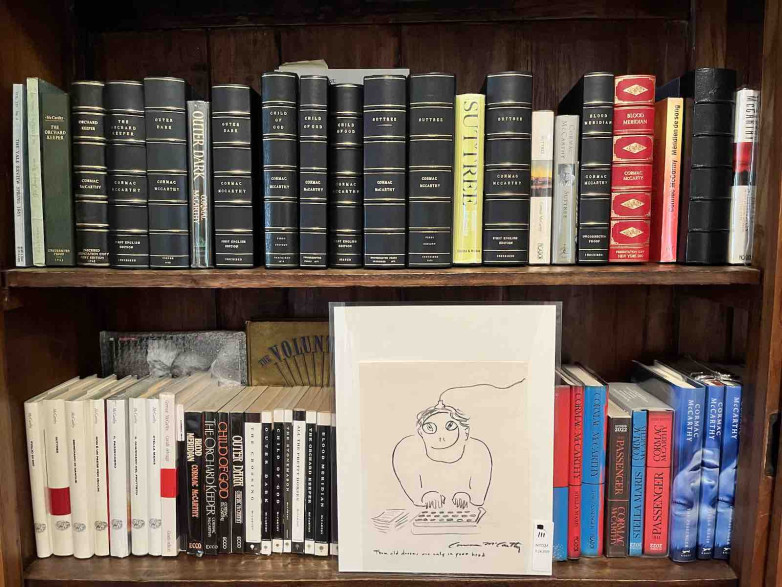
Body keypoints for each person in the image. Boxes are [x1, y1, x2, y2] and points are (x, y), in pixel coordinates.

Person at [392, 399, 492, 510]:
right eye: (430, 428)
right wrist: (424, 496)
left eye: (450, 426)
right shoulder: (406, 450)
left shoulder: (478, 451)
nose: (440, 436)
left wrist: (468, 495)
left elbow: (478, 497)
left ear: (466, 432)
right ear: (421, 432)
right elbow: (415, 493)